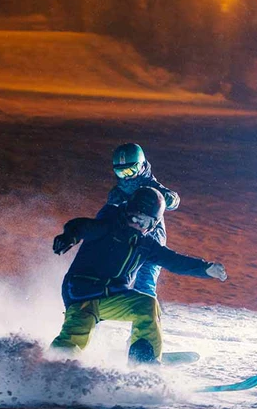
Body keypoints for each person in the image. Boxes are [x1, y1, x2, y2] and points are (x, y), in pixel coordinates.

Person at [51, 187, 226, 364]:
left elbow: (173, 261)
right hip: (83, 295)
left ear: (153, 225)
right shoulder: (108, 227)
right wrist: (69, 236)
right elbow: (81, 226)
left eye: (143, 223)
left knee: (147, 304)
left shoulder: (146, 244)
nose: (136, 224)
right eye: (133, 217)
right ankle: (50, 368)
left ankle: (143, 362)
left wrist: (205, 268)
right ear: (126, 212)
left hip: (113, 297)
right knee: (77, 333)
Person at [100, 143, 180, 299]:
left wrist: (169, 198)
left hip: (150, 242)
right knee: (110, 280)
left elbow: (173, 199)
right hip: (124, 242)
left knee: (145, 283)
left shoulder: (151, 188)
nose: (127, 176)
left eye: (131, 170)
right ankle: (90, 314)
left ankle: (146, 319)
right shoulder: (116, 194)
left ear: (142, 166)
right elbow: (107, 216)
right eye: (121, 172)